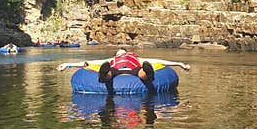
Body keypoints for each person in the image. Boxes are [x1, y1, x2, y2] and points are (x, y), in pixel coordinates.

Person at [56, 48, 191, 84]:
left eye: (122, 51)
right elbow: (87, 63)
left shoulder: (137, 59)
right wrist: (67, 65)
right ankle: (104, 74)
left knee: (142, 71)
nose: (121, 53)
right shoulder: (112, 60)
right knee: (109, 72)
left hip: (134, 69)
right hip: (115, 70)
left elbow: (161, 61)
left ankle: (147, 73)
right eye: (118, 52)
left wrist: (180, 64)